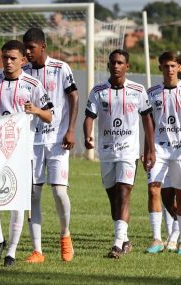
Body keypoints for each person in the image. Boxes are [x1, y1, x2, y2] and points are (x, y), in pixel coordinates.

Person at [0, 40, 52, 266]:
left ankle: (11, 252)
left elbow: (50, 115)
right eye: (5, 57)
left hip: (23, 154)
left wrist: (36, 110)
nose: (8, 62)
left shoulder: (33, 84)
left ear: (23, 60)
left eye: (13, 58)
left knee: (17, 203)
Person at [84, 49, 155, 259]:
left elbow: (147, 120)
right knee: (113, 198)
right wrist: (88, 135)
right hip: (106, 151)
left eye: (120, 62)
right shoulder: (98, 91)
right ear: (108, 65)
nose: (116, 66)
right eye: (113, 62)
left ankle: (117, 243)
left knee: (124, 192)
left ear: (127, 66)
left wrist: (149, 149)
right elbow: (89, 116)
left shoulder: (138, 90)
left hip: (128, 151)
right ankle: (125, 239)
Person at [22, 27, 78, 262]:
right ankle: (37, 250)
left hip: (56, 141)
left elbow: (74, 97)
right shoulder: (22, 72)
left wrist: (71, 129)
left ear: (43, 47)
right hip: (30, 141)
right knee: (33, 194)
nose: (27, 52)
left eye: (31, 48)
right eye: (25, 48)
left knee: (59, 192)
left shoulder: (60, 68)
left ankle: (65, 236)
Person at [145, 51, 181, 253]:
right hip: (158, 149)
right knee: (154, 190)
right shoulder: (152, 93)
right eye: (166, 66)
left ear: (179, 68)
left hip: (179, 150)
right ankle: (157, 239)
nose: (170, 69)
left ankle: (175, 238)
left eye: (173, 66)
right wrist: (147, 150)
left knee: (179, 194)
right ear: (160, 68)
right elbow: (147, 125)